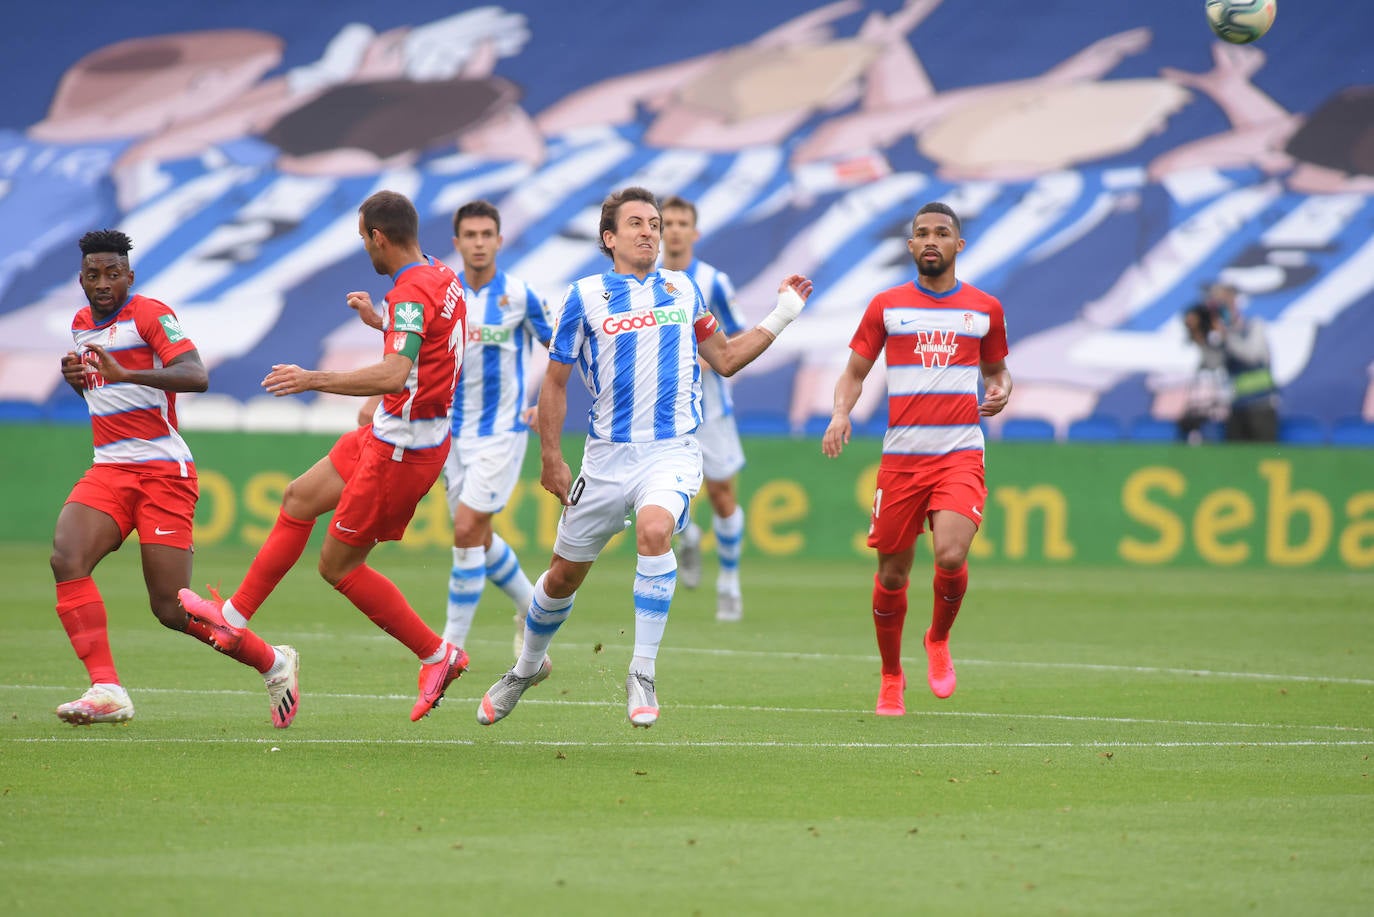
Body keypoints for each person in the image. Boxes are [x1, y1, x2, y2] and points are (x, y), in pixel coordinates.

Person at [475, 186, 812, 728]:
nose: (649, 231)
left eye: (654, 223)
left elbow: (725, 358)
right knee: (561, 579)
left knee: (655, 530)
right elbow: (555, 384)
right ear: (609, 238)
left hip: (671, 449)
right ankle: (526, 668)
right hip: (605, 458)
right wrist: (551, 457)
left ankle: (643, 672)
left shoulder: (683, 288)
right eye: (636, 223)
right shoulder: (583, 296)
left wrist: (783, 314)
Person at [179, 189, 470, 723]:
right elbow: (432, 339)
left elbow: (394, 374)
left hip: (403, 450)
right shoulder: (441, 275)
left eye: (364, 239)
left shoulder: (410, 292)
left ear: (378, 237)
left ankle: (437, 654)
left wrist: (312, 379)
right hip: (397, 433)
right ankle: (234, 619)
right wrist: (381, 323)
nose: (366, 248)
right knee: (299, 497)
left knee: (339, 566)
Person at [52, 229, 300, 727]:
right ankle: (107, 689)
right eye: (93, 275)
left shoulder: (149, 313)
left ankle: (273, 662)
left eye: (113, 274)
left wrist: (126, 374)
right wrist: (80, 383)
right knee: (67, 557)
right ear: (81, 279)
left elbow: (196, 375)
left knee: (170, 608)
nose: (103, 283)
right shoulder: (80, 325)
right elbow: (105, 393)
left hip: (163, 473)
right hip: (109, 468)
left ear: (130, 276)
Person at [821, 202, 1011, 717]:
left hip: (959, 453)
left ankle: (938, 639)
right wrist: (840, 413)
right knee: (892, 576)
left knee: (950, 555)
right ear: (910, 246)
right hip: (902, 460)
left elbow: (997, 371)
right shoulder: (887, 306)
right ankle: (891, 676)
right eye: (922, 233)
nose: (931, 240)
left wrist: (1001, 390)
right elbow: (854, 373)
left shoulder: (985, 309)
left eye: (941, 233)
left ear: (958, 245)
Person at [434, 199, 553, 658]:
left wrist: (546, 402)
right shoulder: (445, 296)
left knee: (466, 530)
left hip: (502, 430)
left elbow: (562, 348)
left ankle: (449, 651)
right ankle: (530, 608)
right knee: (477, 538)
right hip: (450, 433)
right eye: (471, 235)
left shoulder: (521, 296)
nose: (479, 243)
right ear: (457, 242)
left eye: (487, 235)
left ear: (500, 240)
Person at [659, 195, 750, 622]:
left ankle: (729, 581)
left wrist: (704, 359)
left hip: (710, 410)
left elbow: (738, 338)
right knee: (662, 492)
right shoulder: (647, 280)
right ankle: (689, 535)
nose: (675, 230)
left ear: (694, 232)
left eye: (682, 223)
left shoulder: (713, 281)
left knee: (721, 494)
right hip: (663, 409)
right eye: (668, 223)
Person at [1182, 282, 1279, 442]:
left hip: (1262, 404)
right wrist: (1200, 339)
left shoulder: (1253, 325)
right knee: (1235, 455)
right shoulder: (1221, 335)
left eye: (1223, 301)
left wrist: (1227, 335)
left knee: (1263, 453)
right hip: (1236, 405)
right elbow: (1213, 364)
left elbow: (1252, 355)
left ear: (1233, 301)